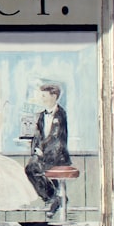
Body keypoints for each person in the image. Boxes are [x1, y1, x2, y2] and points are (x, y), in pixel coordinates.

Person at [24, 83, 71, 217]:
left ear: (54, 96)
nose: (41, 99)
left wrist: (41, 151)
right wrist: (35, 151)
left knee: (37, 168)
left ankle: (55, 198)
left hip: (58, 156)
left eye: (44, 96)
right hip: (43, 155)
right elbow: (37, 136)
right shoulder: (40, 116)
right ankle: (54, 198)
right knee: (30, 168)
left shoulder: (61, 115)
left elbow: (55, 138)